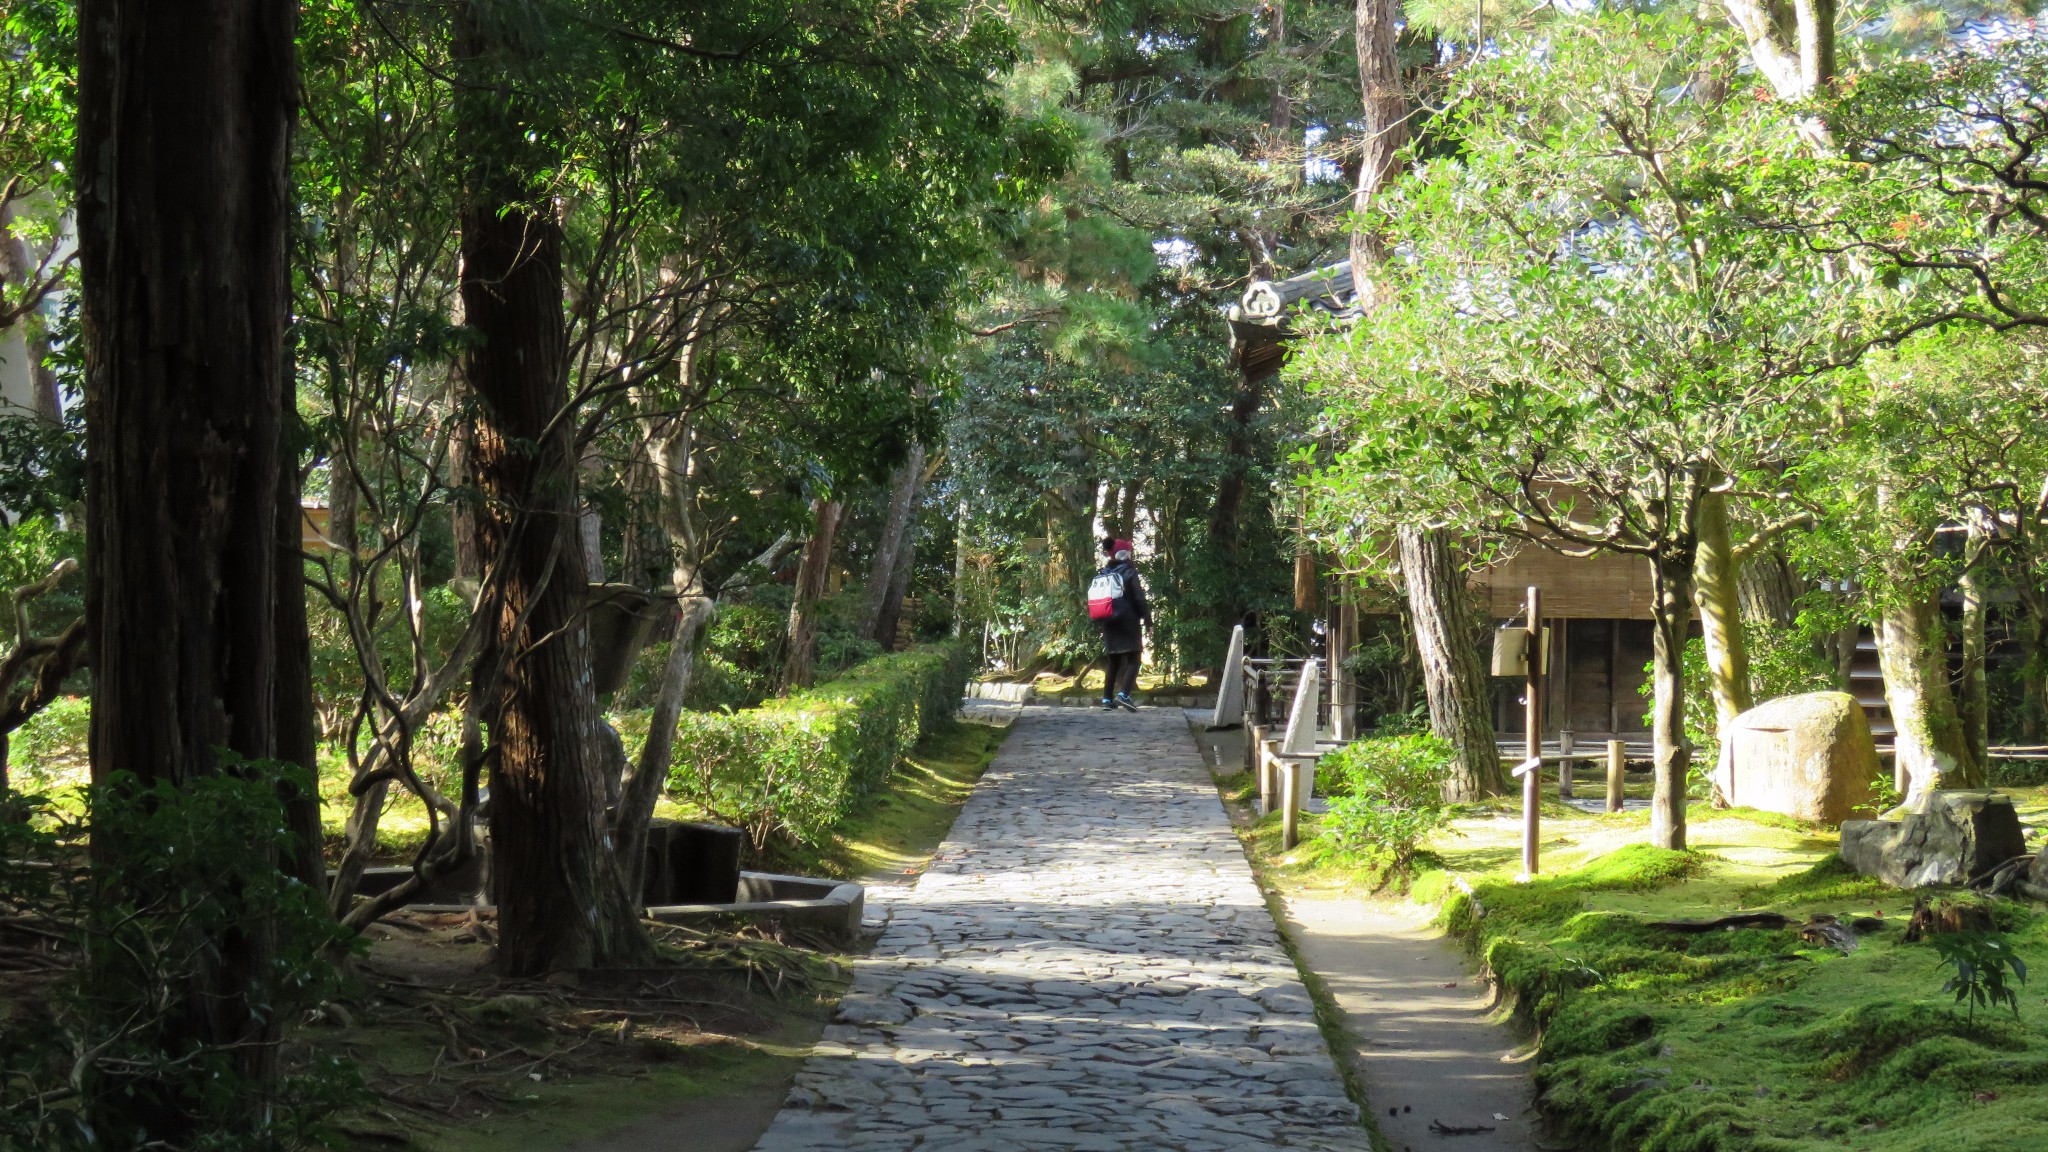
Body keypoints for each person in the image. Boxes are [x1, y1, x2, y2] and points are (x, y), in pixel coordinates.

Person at [1086, 537, 1151, 711]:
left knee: (1113, 661)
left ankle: (1107, 699)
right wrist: (1147, 619)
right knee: (1134, 658)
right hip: (1128, 621)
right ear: (1125, 554)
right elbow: (1138, 598)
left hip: (1108, 622)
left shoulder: (1103, 572)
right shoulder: (1129, 572)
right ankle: (1124, 695)